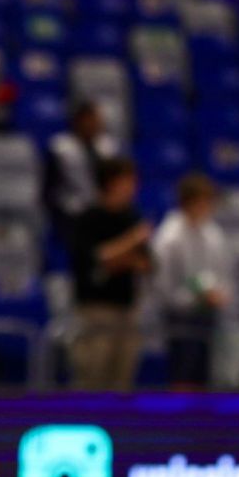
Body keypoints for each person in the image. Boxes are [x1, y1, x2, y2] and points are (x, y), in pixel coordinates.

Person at [68, 156, 150, 390]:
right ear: (112, 182)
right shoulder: (89, 217)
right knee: (93, 374)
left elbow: (145, 264)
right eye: (128, 180)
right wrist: (129, 243)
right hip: (96, 310)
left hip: (127, 309)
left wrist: (117, 259)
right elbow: (94, 258)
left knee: (123, 379)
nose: (134, 186)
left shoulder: (132, 216)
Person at [153, 173, 239, 387]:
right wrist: (194, 297)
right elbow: (163, 286)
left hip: (209, 315)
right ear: (187, 202)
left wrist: (219, 294)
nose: (207, 207)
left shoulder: (213, 234)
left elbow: (224, 273)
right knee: (182, 374)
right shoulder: (168, 238)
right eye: (201, 202)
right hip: (179, 317)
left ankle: (200, 415)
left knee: (205, 375)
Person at [46, 100, 121, 235]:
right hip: (71, 212)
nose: (94, 125)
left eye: (96, 120)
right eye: (89, 120)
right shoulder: (61, 148)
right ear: (78, 121)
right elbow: (50, 188)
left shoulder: (107, 148)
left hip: (101, 210)